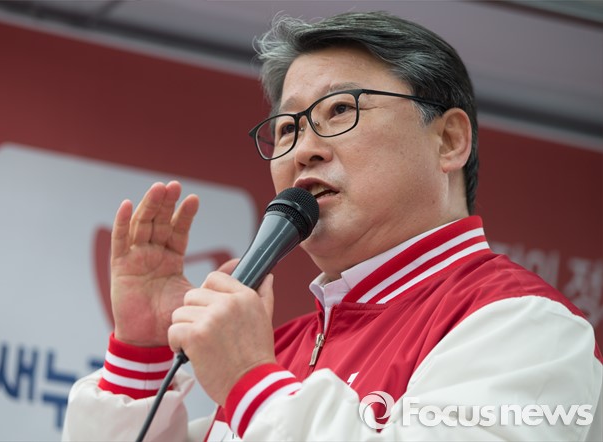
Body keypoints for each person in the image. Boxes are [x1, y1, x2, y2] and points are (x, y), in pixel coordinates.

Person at [63, 11, 602, 441]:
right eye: (287, 128)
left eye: (340, 110)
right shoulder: (278, 350)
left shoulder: (526, 325)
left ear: (448, 141)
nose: (305, 150)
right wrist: (142, 354)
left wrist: (251, 384)